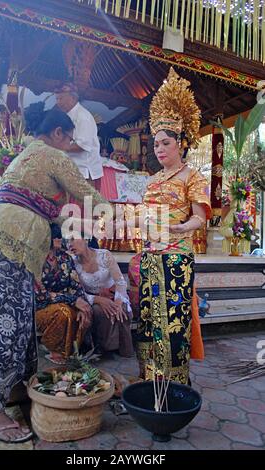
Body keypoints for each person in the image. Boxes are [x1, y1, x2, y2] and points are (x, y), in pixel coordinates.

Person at [0, 101, 107, 444]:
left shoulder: (29, 156)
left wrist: (72, 224)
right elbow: (88, 194)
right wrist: (119, 214)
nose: (70, 147)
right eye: (69, 139)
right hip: (6, 249)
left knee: (19, 325)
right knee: (8, 329)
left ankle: (16, 391)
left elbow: (51, 211)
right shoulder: (51, 154)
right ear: (58, 133)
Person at [135, 68, 211, 384]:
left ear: (180, 142)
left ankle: (175, 381)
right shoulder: (150, 181)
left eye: (166, 143)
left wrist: (183, 228)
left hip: (177, 256)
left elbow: (200, 216)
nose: (160, 150)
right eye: (156, 145)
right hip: (150, 255)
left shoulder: (193, 177)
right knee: (149, 318)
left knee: (174, 319)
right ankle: (149, 377)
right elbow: (143, 217)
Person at [35, 223, 92, 364]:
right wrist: (73, 301)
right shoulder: (34, 259)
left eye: (61, 237)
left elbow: (75, 284)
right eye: (57, 237)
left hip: (65, 302)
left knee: (84, 311)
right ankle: (55, 349)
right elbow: (40, 295)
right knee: (63, 311)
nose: (61, 240)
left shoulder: (65, 258)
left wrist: (81, 304)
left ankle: (74, 351)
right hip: (39, 307)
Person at [68, 237, 134, 358]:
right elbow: (77, 291)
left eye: (73, 240)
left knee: (121, 309)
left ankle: (125, 349)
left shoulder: (104, 255)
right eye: (67, 241)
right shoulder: (72, 262)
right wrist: (98, 300)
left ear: (85, 240)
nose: (70, 244)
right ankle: (104, 349)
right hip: (90, 297)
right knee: (100, 310)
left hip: (113, 294)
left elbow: (120, 282)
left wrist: (118, 302)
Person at [55, 83, 103, 190]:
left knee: (86, 205)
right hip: (73, 171)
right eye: (57, 99)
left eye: (61, 98)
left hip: (85, 173)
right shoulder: (67, 116)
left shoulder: (83, 117)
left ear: (73, 98)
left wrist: (57, 148)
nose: (58, 102)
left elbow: (82, 146)